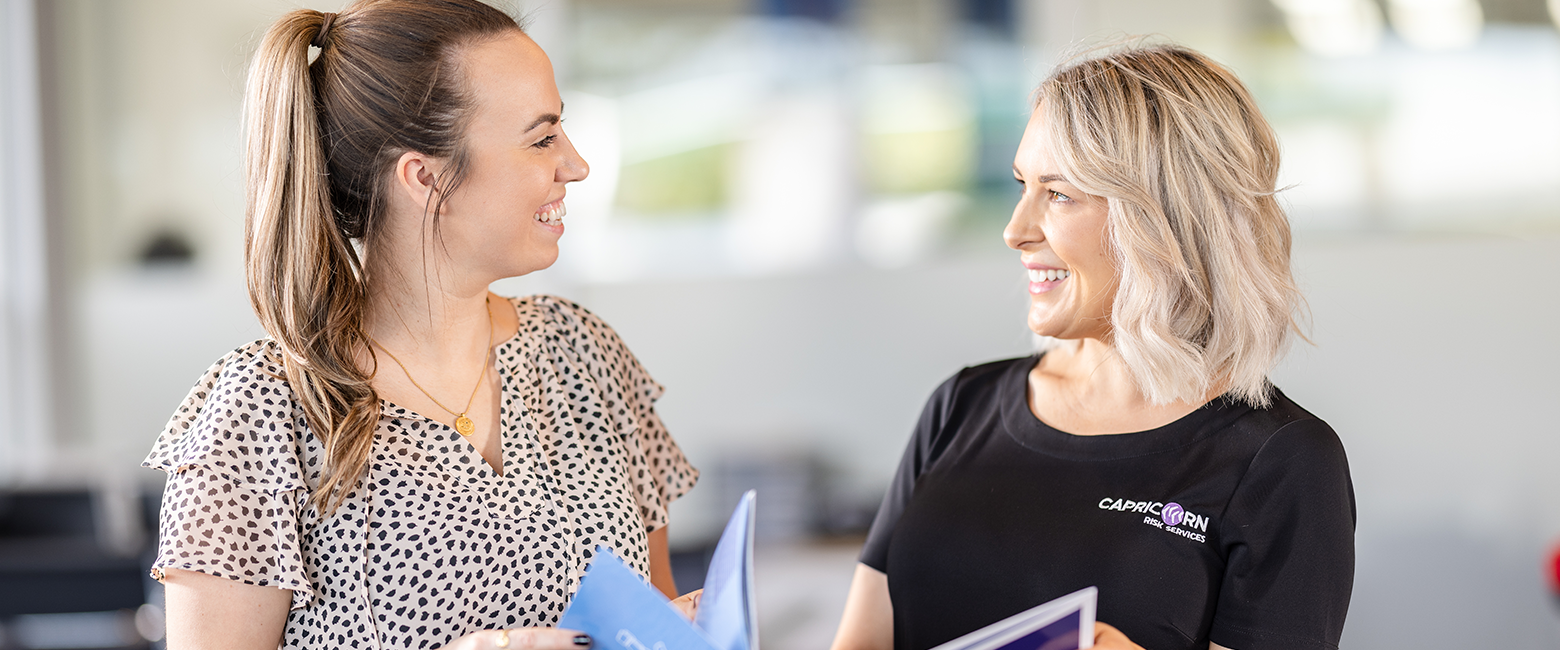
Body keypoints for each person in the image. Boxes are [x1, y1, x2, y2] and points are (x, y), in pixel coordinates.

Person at [141, 2, 699, 648]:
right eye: (542, 138)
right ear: (426, 178)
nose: (575, 165)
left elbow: (654, 623)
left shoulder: (585, 356)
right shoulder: (261, 413)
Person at [830, 45, 1355, 650]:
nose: (1015, 230)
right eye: (1023, 184)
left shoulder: (1282, 461)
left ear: (1165, 219)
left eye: (1058, 194)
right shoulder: (961, 406)